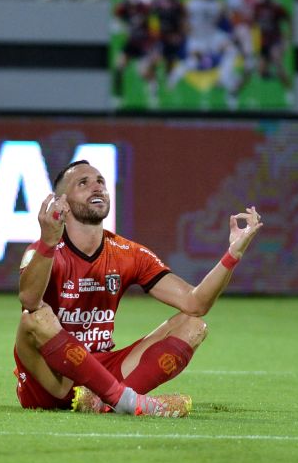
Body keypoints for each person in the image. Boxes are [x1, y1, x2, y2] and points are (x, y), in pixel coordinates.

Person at [13, 160, 263, 417]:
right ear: (61, 202)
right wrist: (48, 241)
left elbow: (196, 303)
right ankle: (126, 401)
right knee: (34, 319)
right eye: (83, 183)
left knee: (193, 324)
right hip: (51, 380)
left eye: (100, 181)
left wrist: (233, 254)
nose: (97, 187)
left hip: (100, 371)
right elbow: (30, 301)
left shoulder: (128, 253)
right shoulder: (44, 250)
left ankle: (109, 401)